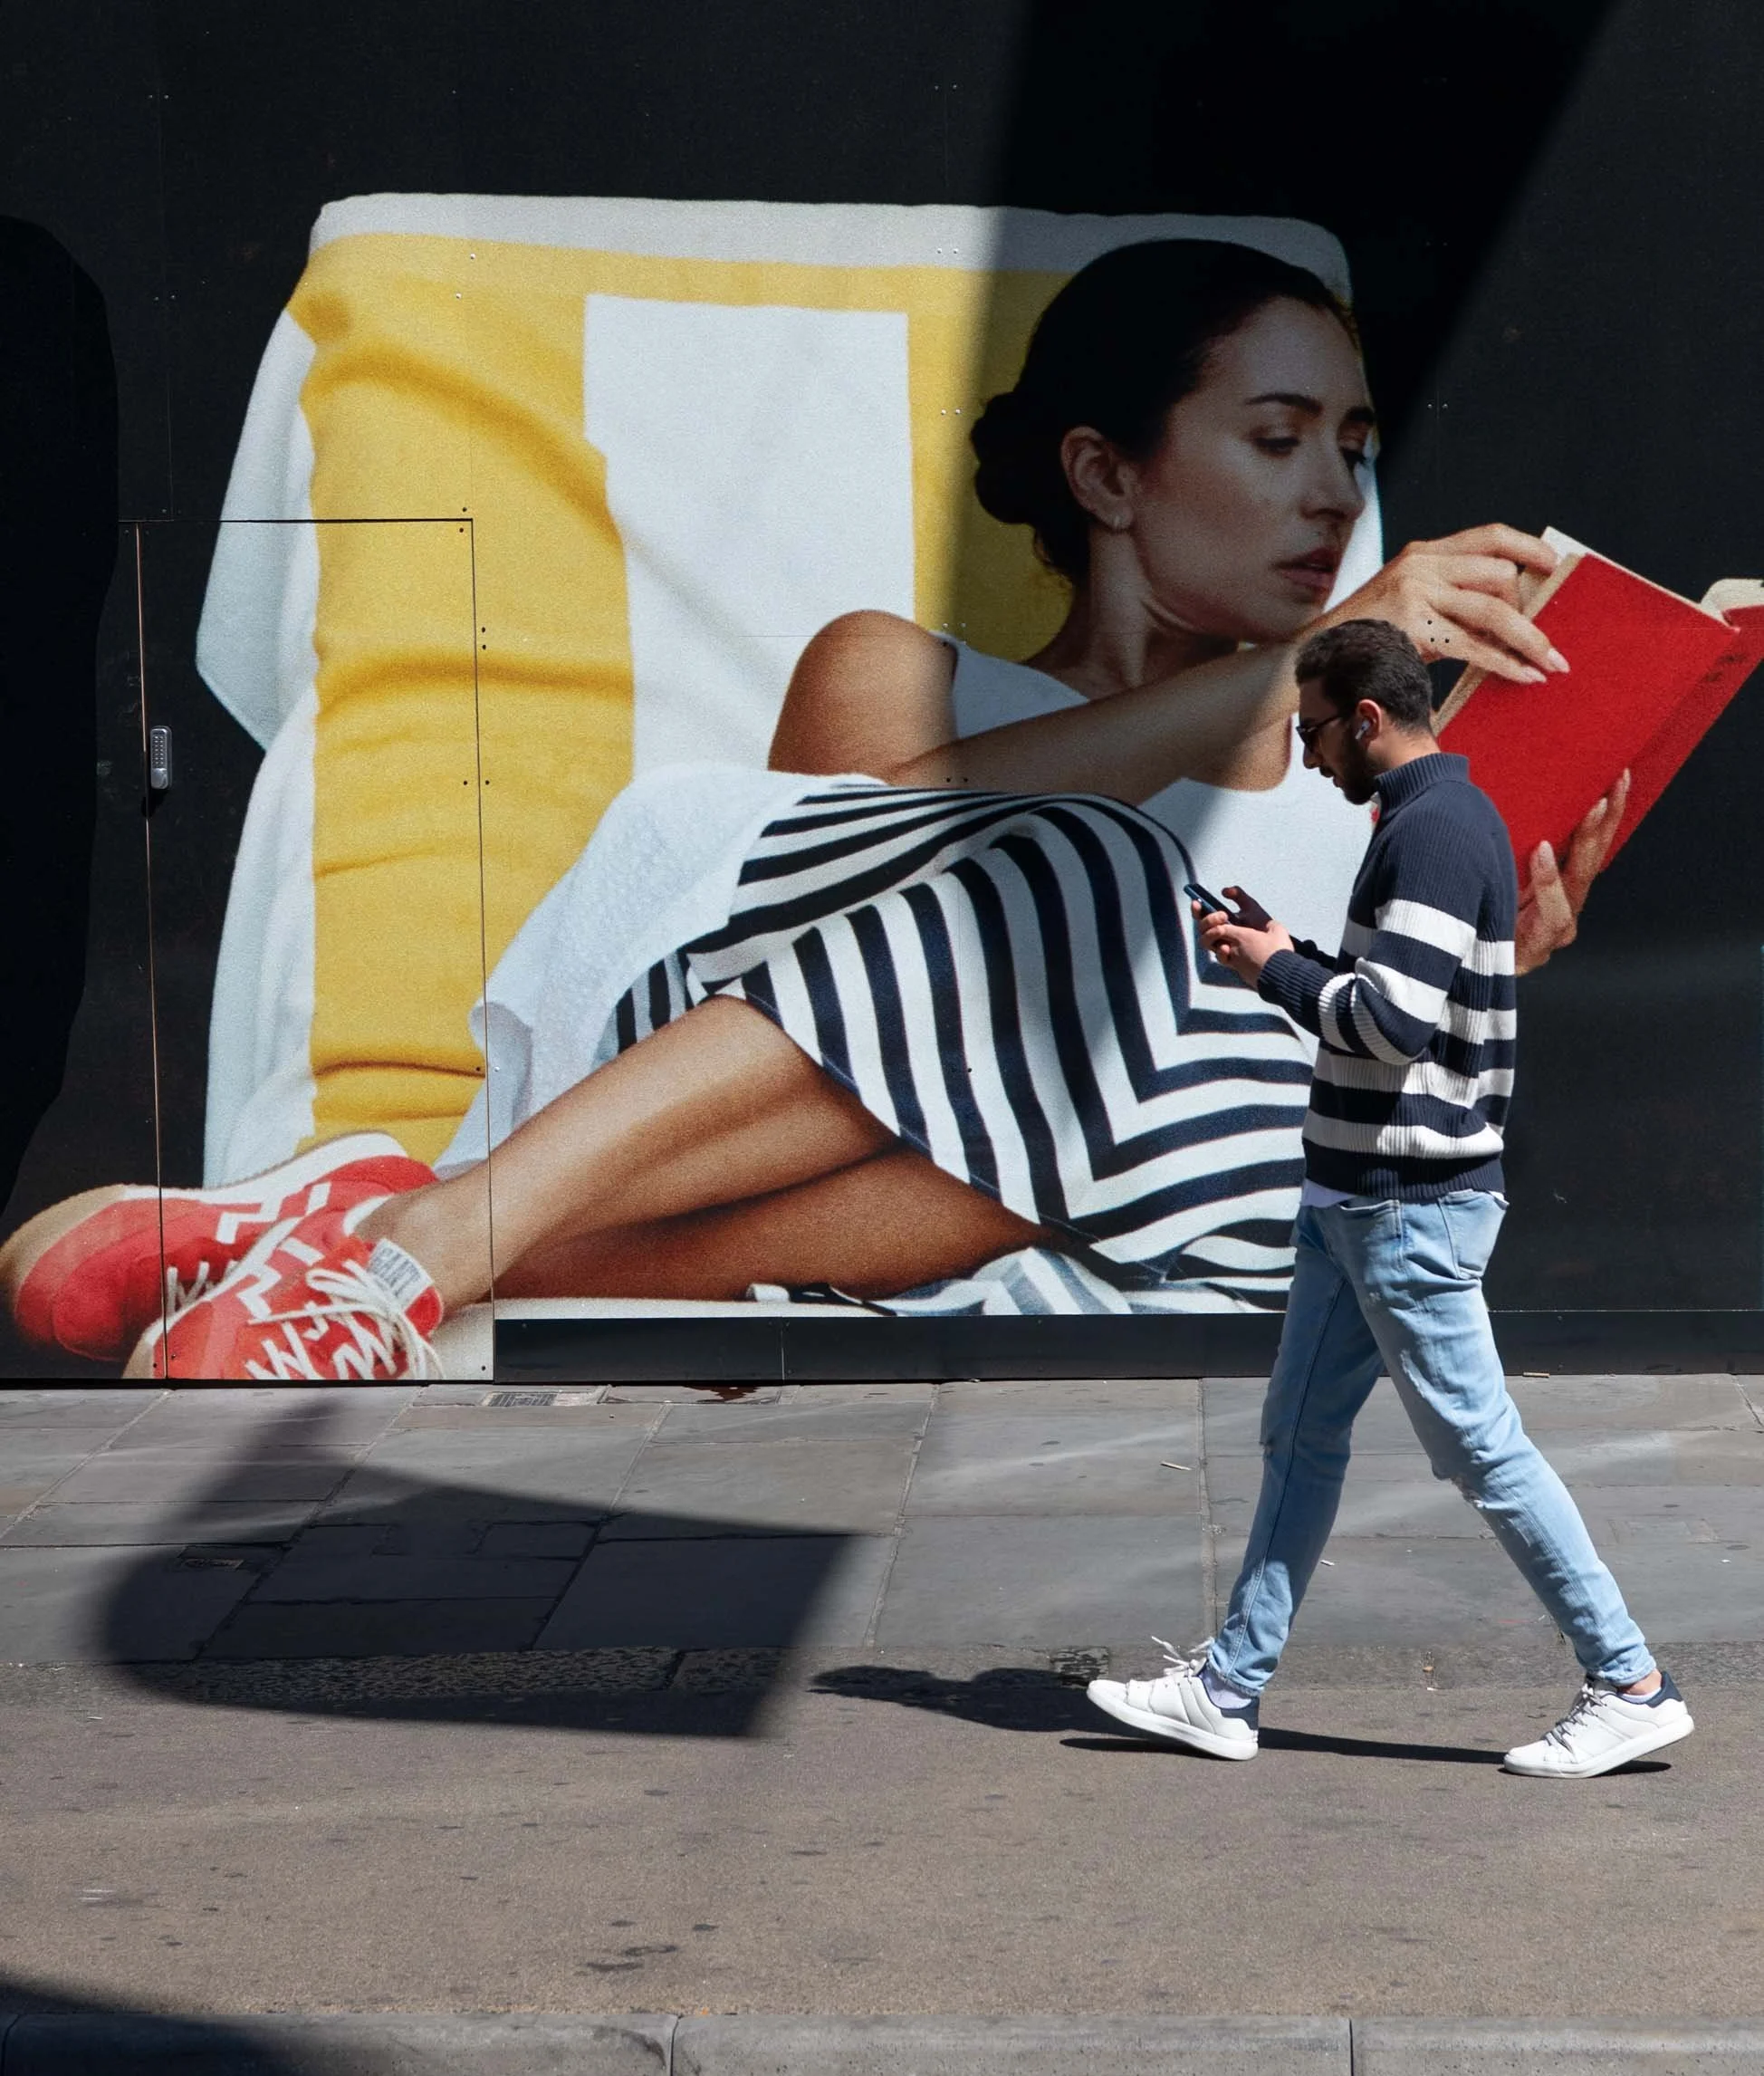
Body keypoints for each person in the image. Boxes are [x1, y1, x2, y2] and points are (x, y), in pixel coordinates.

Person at [1, 242, 1621, 1378]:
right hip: (727, 1062)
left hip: (1066, 1177)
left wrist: (1492, 949)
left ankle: (372, 1240)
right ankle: (424, 1254)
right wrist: (1286, 676)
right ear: (1106, 476)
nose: (1334, 492)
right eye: (1275, 438)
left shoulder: (1367, 789)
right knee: (1090, 880)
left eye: (1350, 446)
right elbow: (890, 879)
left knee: (1286, 1128)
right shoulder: (904, 666)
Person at [1086, 619, 1692, 1780]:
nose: (1306, 753)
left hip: (1406, 1206)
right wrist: (1288, 950)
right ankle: (1225, 1690)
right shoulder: (1431, 822)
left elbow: (1385, 1024)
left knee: (1480, 1450)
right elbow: (1389, 998)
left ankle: (1631, 1680)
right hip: (1358, 1197)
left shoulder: (1432, 830)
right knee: (1300, 1436)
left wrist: (1275, 971)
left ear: (1367, 717)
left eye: (1312, 728)